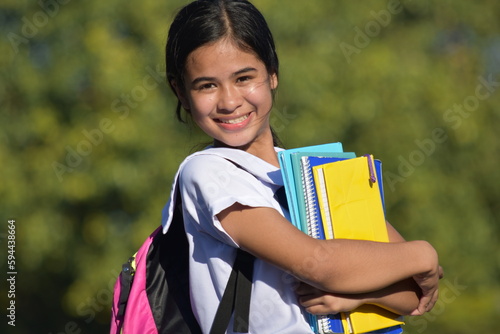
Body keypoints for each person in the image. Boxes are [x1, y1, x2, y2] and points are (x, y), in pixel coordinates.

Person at [162, 0, 442, 332]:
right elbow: (317, 263)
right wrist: (423, 253)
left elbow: (415, 294)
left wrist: (358, 296)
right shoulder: (207, 173)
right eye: (207, 85)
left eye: (243, 78)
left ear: (272, 73)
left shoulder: (312, 173)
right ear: (180, 91)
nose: (229, 101)